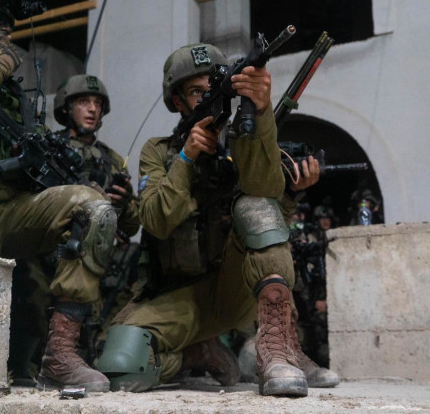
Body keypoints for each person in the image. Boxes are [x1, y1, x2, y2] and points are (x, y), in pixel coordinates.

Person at [96, 43, 321, 396]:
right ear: (178, 101)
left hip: (235, 289)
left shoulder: (242, 142)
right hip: (177, 296)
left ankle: (280, 350)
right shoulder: (159, 151)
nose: (205, 98)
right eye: (194, 91)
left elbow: (267, 208)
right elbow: (155, 221)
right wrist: (186, 158)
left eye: (211, 89)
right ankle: (195, 354)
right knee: (120, 368)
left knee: (254, 207)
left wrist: (261, 113)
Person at [0, 2, 117, 392]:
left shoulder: (15, 98)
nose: (2, 43)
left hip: (9, 214)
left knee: (93, 206)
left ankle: (59, 357)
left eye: (5, 36)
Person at [8, 75, 141, 380]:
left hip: (90, 257)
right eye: (84, 102)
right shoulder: (49, 147)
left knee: (93, 328)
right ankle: (24, 373)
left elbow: (131, 226)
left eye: (97, 104)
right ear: (66, 108)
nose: (92, 109)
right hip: (45, 251)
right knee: (32, 314)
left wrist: (126, 201)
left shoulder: (112, 160)